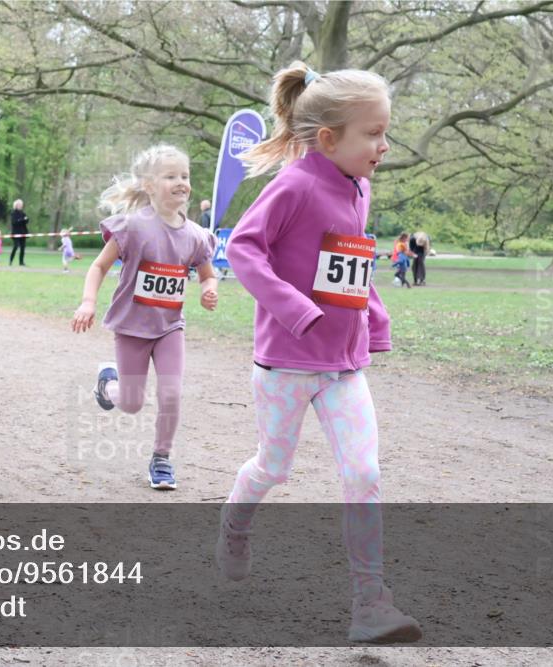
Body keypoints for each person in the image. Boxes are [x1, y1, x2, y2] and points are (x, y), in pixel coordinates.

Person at [215, 61, 422, 645]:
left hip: (342, 366)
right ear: (329, 139)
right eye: (374, 134)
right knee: (272, 468)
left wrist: (373, 317)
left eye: (386, 131)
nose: (384, 145)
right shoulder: (294, 184)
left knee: (363, 472)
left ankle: (370, 603)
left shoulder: (359, 185)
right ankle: (235, 523)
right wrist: (292, 308)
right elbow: (247, 252)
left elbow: (351, 259)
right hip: (285, 363)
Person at [71, 144, 219, 491]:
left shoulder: (196, 236)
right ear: (150, 186)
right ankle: (108, 385)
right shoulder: (134, 227)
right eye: (171, 176)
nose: (181, 182)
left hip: (170, 327)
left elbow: (207, 274)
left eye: (185, 176)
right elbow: (99, 265)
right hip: (132, 328)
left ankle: (162, 459)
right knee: (133, 404)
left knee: (171, 393)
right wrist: (88, 302)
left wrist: (208, 288)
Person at [9, 199, 29, 266]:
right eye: (19, 205)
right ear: (16, 205)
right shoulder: (13, 213)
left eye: (21, 205)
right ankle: (11, 260)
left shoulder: (23, 213)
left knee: (23, 248)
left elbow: (26, 221)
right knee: (16, 246)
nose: (21, 206)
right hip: (16, 232)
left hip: (23, 232)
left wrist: (25, 220)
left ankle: (21, 262)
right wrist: (21, 220)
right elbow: (14, 222)